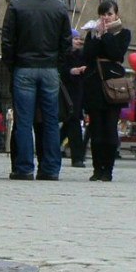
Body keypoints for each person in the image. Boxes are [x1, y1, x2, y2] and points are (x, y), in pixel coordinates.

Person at [1, 0, 71, 181]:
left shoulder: (16, 5)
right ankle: (50, 169)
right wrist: (57, 65)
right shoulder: (59, 7)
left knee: (24, 120)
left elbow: (7, 41)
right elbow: (66, 43)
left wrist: (12, 66)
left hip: (24, 67)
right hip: (49, 69)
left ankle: (24, 168)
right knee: (50, 120)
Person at [80, 1, 132, 182]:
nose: (105, 17)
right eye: (103, 14)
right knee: (96, 129)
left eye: (109, 14)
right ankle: (96, 168)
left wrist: (106, 36)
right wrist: (97, 37)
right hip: (94, 85)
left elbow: (116, 54)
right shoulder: (92, 32)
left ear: (116, 15)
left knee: (110, 128)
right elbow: (87, 55)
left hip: (113, 85)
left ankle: (108, 169)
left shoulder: (123, 33)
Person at [59, 27, 87, 170]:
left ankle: (76, 156)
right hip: (65, 93)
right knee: (71, 122)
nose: (78, 41)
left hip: (78, 94)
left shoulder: (82, 55)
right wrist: (71, 71)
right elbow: (61, 70)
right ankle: (77, 157)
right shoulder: (64, 55)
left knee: (70, 123)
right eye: (75, 39)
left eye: (79, 39)